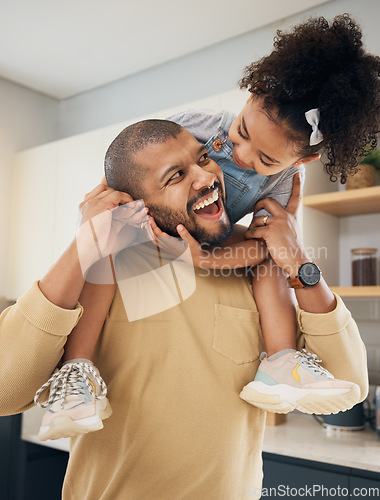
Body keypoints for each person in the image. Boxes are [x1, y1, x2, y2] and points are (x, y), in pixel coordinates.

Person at [33, 13, 379, 438]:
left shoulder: (285, 184)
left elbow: (270, 245)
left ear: (301, 161)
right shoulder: (196, 125)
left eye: (266, 160)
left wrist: (211, 260)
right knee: (108, 252)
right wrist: (91, 226)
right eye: (240, 133)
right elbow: (124, 171)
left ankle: (281, 359)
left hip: (224, 245)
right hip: (153, 231)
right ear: (249, 95)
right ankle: (77, 375)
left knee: (273, 256)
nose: (243, 155)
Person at [0, 119, 368, 499]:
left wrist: (299, 262)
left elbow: (349, 383)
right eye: (176, 176)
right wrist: (84, 244)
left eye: (204, 157)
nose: (207, 177)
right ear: (136, 202)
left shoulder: (255, 269)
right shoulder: (102, 271)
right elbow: (4, 392)